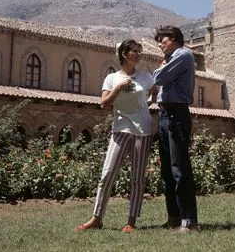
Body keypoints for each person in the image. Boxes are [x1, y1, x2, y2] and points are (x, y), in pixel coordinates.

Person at [74, 39, 158, 233]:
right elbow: (104, 103)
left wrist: (148, 105)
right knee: (108, 173)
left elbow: (155, 93)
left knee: (137, 178)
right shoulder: (111, 78)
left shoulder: (146, 77)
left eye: (139, 51)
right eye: (134, 51)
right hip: (120, 129)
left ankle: (131, 221)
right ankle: (96, 218)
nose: (138, 54)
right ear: (124, 54)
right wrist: (118, 88)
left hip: (142, 131)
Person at [153, 26, 198, 233]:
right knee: (167, 170)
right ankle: (173, 217)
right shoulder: (172, 60)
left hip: (177, 115)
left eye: (162, 40)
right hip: (164, 115)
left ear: (173, 39)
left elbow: (158, 79)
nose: (159, 44)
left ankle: (188, 220)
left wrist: (161, 67)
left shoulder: (183, 55)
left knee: (180, 169)